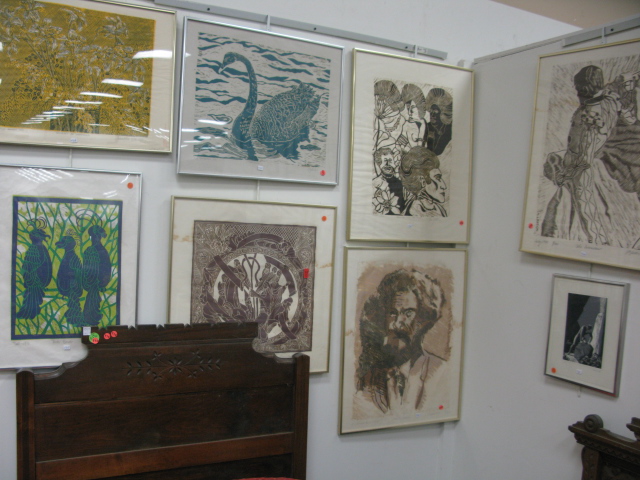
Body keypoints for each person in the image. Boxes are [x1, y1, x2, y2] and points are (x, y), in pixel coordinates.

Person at [357, 269, 445, 413]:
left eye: (408, 313)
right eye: (392, 313)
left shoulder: (441, 373)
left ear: (422, 319)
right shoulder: (369, 379)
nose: (397, 324)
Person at [399, 146, 447, 216]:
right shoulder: (414, 211)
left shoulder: (438, 208)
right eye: (437, 178)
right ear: (423, 181)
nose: (444, 186)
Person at [372, 147, 405, 214]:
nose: (387, 164)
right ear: (379, 164)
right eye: (385, 161)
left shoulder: (400, 182)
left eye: (390, 161)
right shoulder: (376, 182)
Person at [422, 87, 453, 155]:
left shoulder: (449, 129)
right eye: (431, 111)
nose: (432, 115)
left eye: (436, 112)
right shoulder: (428, 126)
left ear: (442, 113)